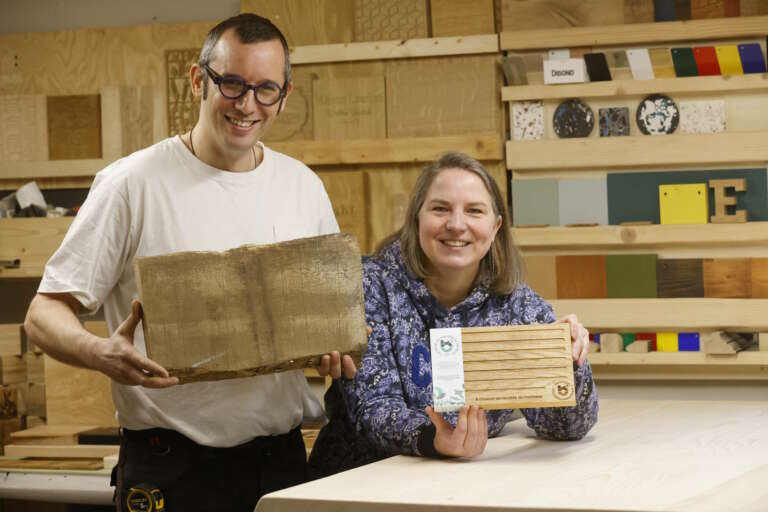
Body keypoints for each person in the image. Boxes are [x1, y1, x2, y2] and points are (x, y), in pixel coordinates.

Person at [24, 13, 354, 512]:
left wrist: (333, 352)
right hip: (169, 468)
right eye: (233, 84)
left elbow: (328, 323)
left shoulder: (302, 187)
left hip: (279, 463)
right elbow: (42, 316)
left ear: (284, 95)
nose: (247, 105)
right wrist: (100, 354)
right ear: (199, 80)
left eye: (266, 89)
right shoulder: (131, 184)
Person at [309, 152, 598, 476]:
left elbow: (567, 427)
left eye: (474, 211)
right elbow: (374, 410)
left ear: (495, 226)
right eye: (440, 208)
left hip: (463, 485)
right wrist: (436, 439)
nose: (457, 224)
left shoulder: (517, 306)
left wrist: (569, 360)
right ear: (417, 218)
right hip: (358, 485)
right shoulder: (369, 287)